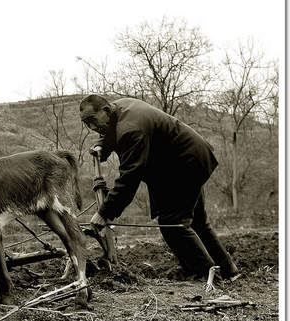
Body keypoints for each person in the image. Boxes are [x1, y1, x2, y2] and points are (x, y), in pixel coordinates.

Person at [79, 94, 238, 279]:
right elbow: (111, 132)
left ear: (106, 110)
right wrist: (102, 146)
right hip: (188, 160)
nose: (92, 127)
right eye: (86, 123)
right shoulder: (119, 109)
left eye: (93, 121)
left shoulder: (131, 127)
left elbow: (130, 177)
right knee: (197, 222)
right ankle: (228, 271)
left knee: (173, 224)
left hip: (185, 165)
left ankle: (207, 275)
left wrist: (105, 212)